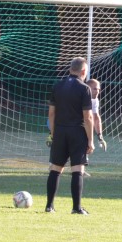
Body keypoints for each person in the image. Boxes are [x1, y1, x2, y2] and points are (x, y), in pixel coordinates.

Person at [45, 57, 94, 215]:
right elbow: (88, 117)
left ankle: (49, 206)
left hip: (60, 131)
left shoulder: (58, 86)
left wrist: (54, 133)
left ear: (70, 69)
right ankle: (76, 208)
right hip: (77, 132)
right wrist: (91, 140)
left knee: (55, 168)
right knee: (77, 170)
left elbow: (51, 113)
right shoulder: (84, 88)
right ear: (83, 71)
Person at [83, 73, 106, 177]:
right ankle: (53, 166)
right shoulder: (80, 97)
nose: (97, 91)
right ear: (88, 88)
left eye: (99, 89)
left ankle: (81, 169)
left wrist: (100, 136)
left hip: (84, 126)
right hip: (72, 125)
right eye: (95, 89)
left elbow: (96, 118)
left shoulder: (95, 100)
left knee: (85, 146)